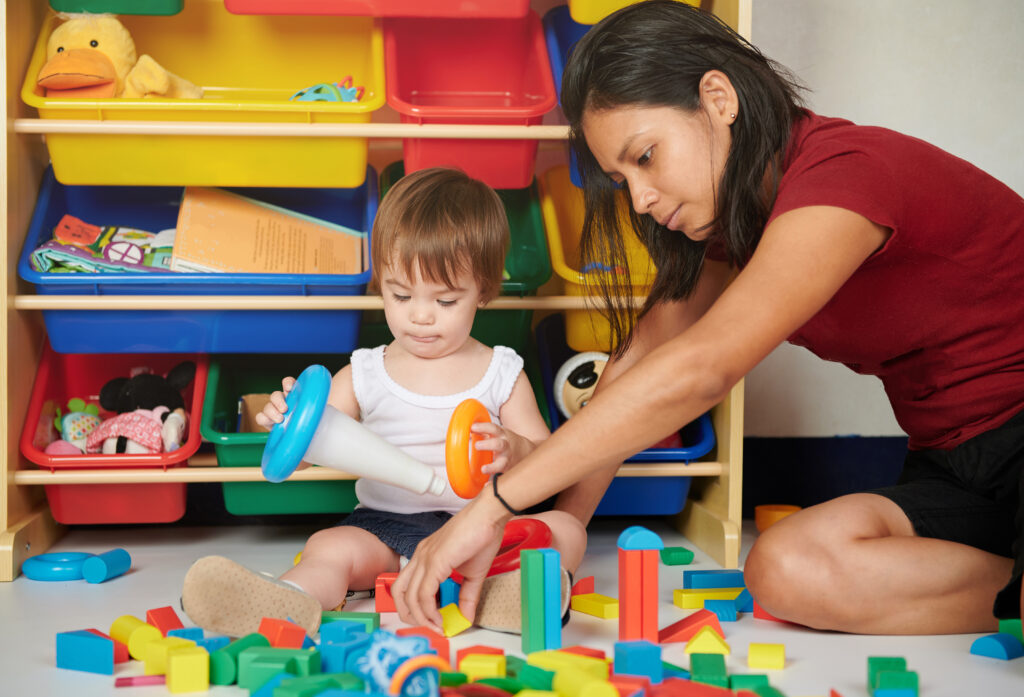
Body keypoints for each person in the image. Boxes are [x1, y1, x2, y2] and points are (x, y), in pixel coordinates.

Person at [392, 0, 1024, 635]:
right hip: (952, 462)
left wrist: (492, 507)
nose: (639, 199)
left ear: (719, 98)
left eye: (645, 157)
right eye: (620, 178)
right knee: (785, 569)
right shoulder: (731, 226)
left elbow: (700, 369)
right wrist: (564, 527)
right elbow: (637, 363)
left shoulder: (842, 181)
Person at [181, 167, 586, 638]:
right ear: (381, 282)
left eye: (446, 300)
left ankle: (508, 594)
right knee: (328, 547)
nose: (419, 315)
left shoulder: (502, 372)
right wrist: (285, 423)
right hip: (382, 529)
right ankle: (288, 602)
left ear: (485, 290)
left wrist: (515, 448)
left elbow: (547, 461)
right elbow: (303, 458)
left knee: (566, 528)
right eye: (400, 293)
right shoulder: (365, 371)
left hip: (482, 531)